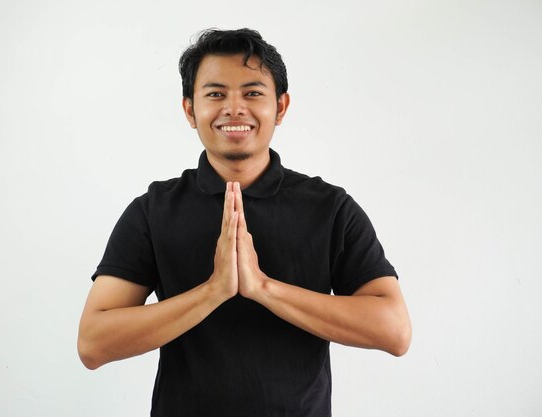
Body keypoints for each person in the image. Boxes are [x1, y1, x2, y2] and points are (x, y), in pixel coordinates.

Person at [78, 28, 411, 416]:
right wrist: (213, 291)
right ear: (190, 110)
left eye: (252, 93)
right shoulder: (153, 210)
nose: (234, 109)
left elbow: (394, 330)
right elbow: (93, 343)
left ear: (281, 107)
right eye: (215, 94)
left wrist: (264, 288)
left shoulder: (330, 208)